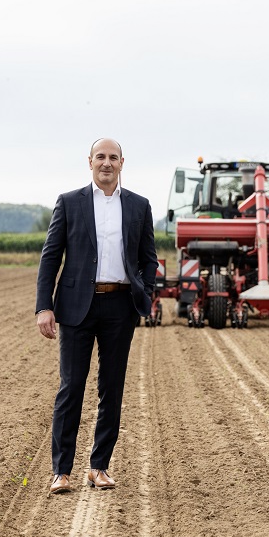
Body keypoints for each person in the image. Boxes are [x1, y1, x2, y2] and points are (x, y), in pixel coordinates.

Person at [35, 138, 159, 495]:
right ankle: (61, 471)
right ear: (89, 161)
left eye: (113, 157)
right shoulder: (69, 202)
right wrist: (44, 306)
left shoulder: (138, 205)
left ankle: (99, 467)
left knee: (112, 388)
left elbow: (149, 257)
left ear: (122, 163)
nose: (107, 163)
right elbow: (50, 256)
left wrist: (144, 291)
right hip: (76, 307)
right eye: (100, 157)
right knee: (71, 387)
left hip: (120, 306)